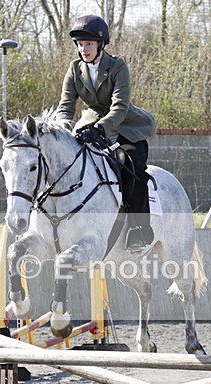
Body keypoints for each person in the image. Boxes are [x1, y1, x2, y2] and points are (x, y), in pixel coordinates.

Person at [55, 14, 156, 251]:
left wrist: (100, 129)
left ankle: (139, 230)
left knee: (133, 168)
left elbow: (120, 107)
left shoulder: (117, 66)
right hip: (90, 124)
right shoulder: (74, 69)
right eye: (80, 44)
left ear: (101, 44)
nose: (83, 48)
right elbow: (66, 106)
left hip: (126, 126)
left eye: (88, 43)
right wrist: (61, 130)